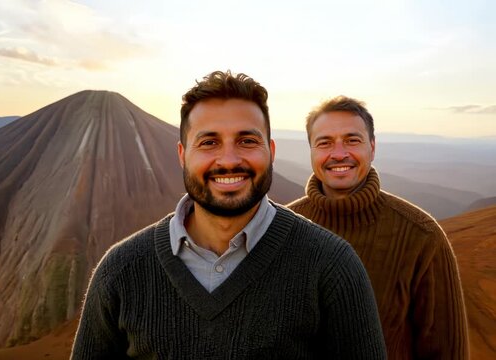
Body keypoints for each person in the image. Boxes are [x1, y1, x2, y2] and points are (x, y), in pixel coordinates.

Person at [71, 71, 386, 359]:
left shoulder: (331, 266)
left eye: (247, 141)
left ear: (271, 152)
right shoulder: (121, 272)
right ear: (183, 155)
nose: (229, 159)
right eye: (209, 142)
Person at [287, 96, 469, 359]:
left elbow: (448, 352)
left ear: (372, 148)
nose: (339, 153)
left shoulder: (421, 236)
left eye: (352, 140)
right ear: (312, 152)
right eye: (325, 143)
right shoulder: (282, 230)